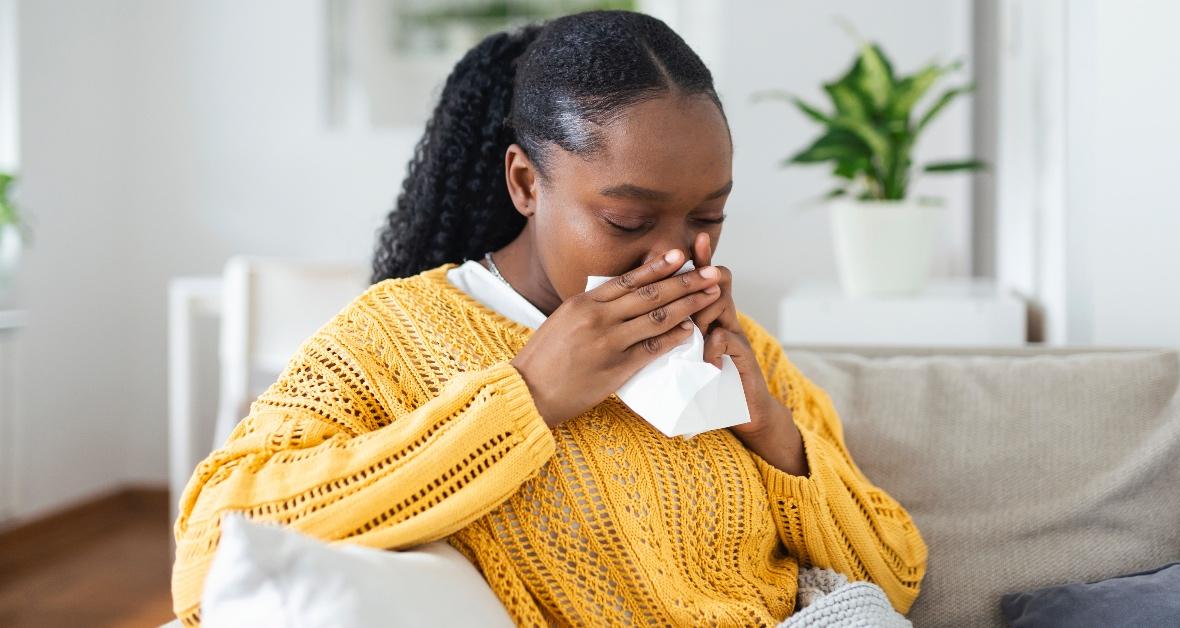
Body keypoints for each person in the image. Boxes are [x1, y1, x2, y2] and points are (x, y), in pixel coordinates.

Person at [170, 10, 927, 626]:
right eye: (629, 221)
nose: (676, 258)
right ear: (527, 183)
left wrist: (774, 433)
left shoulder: (739, 346)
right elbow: (212, 548)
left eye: (708, 215)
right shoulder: (399, 336)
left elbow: (894, 575)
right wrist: (525, 397)